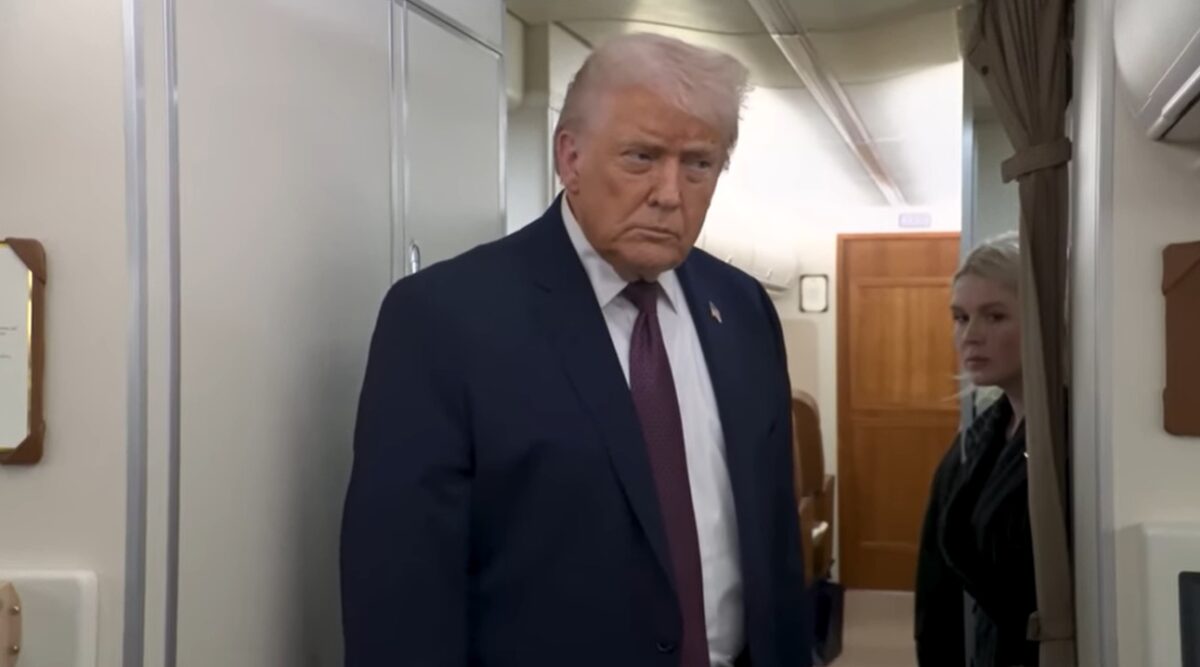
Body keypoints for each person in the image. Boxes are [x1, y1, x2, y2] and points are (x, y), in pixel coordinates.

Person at [340, 33, 811, 667]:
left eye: (698, 164)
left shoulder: (743, 310)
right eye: (641, 157)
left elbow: (774, 542)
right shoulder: (445, 319)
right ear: (571, 158)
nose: (670, 193)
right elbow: (402, 592)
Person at [914, 231, 1037, 667]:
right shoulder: (979, 436)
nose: (971, 336)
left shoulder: (1067, 441)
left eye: (995, 316)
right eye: (961, 317)